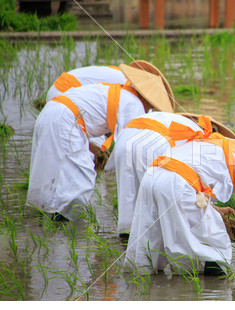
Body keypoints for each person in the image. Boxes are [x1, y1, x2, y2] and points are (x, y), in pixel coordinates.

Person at [124, 113, 235, 276]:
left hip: (153, 174)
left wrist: (213, 208)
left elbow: (195, 177)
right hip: (176, 182)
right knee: (215, 239)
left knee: (152, 234)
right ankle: (211, 286)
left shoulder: (222, 143)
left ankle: (146, 281)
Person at [27, 61, 174, 221]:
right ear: (147, 99)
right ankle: (64, 223)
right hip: (65, 119)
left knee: (55, 168)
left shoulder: (120, 91)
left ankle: (46, 216)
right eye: (152, 105)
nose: (150, 110)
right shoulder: (134, 104)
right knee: (82, 175)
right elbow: (130, 148)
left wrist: (99, 152)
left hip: (53, 113)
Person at [113, 112, 235, 236]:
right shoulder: (197, 138)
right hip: (155, 145)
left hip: (124, 140)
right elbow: (190, 187)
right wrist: (214, 213)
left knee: (129, 200)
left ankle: (125, 240)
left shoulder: (169, 119)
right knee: (157, 209)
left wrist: (214, 209)